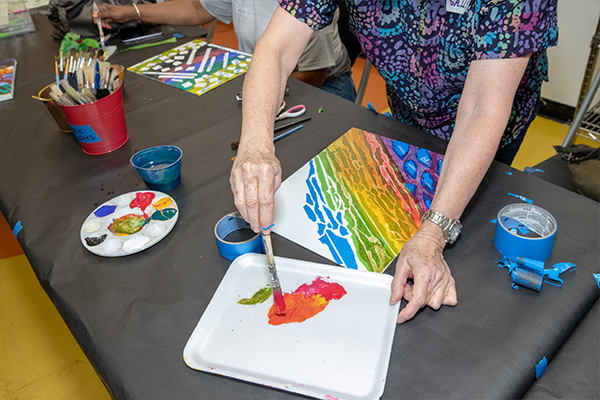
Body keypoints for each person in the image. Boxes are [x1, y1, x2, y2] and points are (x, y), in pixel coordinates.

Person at [229, 1, 558, 323]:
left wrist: (433, 235)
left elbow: (481, 109)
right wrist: (255, 145)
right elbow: (276, 48)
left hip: (487, 124)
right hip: (408, 113)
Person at [96, 0, 356, 101]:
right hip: (262, 79)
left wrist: (255, 92)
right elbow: (198, 10)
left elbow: (314, 74)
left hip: (322, 89)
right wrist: (130, 12)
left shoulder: (308, 4)